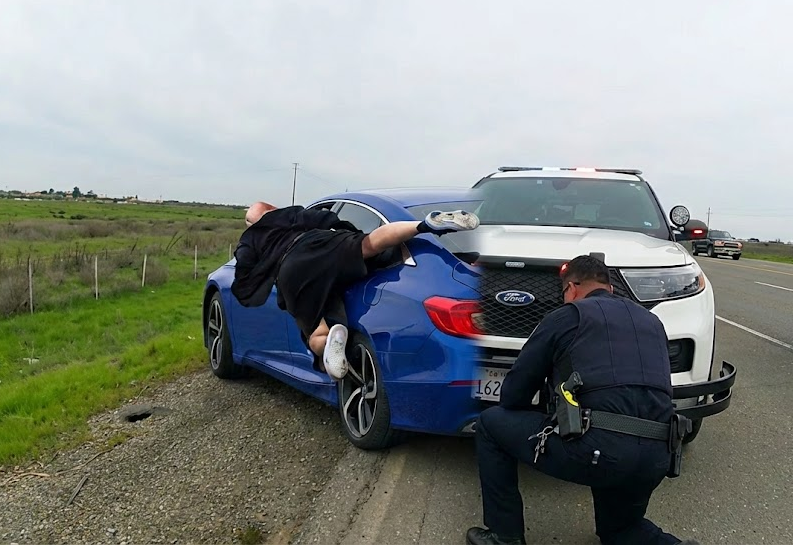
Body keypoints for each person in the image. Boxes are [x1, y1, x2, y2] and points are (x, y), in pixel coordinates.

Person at [466, 255, 696, 545]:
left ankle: (504, 536)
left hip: (600, 451)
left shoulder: (568, 315)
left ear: (572, 289)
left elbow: (514, 395)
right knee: (621, 531)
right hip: (656, 455)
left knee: (490, 424)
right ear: (609, 289)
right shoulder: (652, 322)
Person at [231, 201, 479, 379]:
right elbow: (331, 220)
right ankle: (424, 225)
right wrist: (347, 237)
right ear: (273, 210)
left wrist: (263, 280)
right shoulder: (294, 215)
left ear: (251, 222)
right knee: (370, 243)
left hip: (291, 270)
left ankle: (331, 340)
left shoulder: (251, 238)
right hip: (320, 243)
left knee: (315, 331)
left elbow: (243, 279)